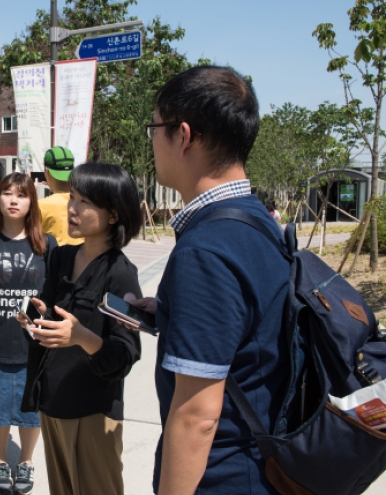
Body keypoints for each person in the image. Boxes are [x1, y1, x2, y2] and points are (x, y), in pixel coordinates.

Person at [131, 66, 290, 494]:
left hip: (223, 475)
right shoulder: (258, 221)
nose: (154, 143)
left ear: (183, 136)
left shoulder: (206, 248)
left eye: (155, 129)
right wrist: (173, 313)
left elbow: (197, 417)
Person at [17, 163, 143, 495]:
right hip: (53, 402)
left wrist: (82, 338)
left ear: (113, 214)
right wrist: (34, 320)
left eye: (85, 202)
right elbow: (49, 320)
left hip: (93, 410)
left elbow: (127, 352)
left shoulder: (121, 274)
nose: (72, 209)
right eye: (72, 198)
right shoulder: (60, 258)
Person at [0, 172, 56, 495]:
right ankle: (1, 460)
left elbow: (55, 295)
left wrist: (45, 317)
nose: (14, 200)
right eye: (7, 193)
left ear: (32, 202)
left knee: (31, 409)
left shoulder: (47, 244)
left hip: (36, 343)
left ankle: (26, 461)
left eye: (22, 194)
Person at [38, 146, 83, 246]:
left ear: (46, 171)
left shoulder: (40, 206)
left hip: (53, 260)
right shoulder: (86, 202)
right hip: (83, 259)